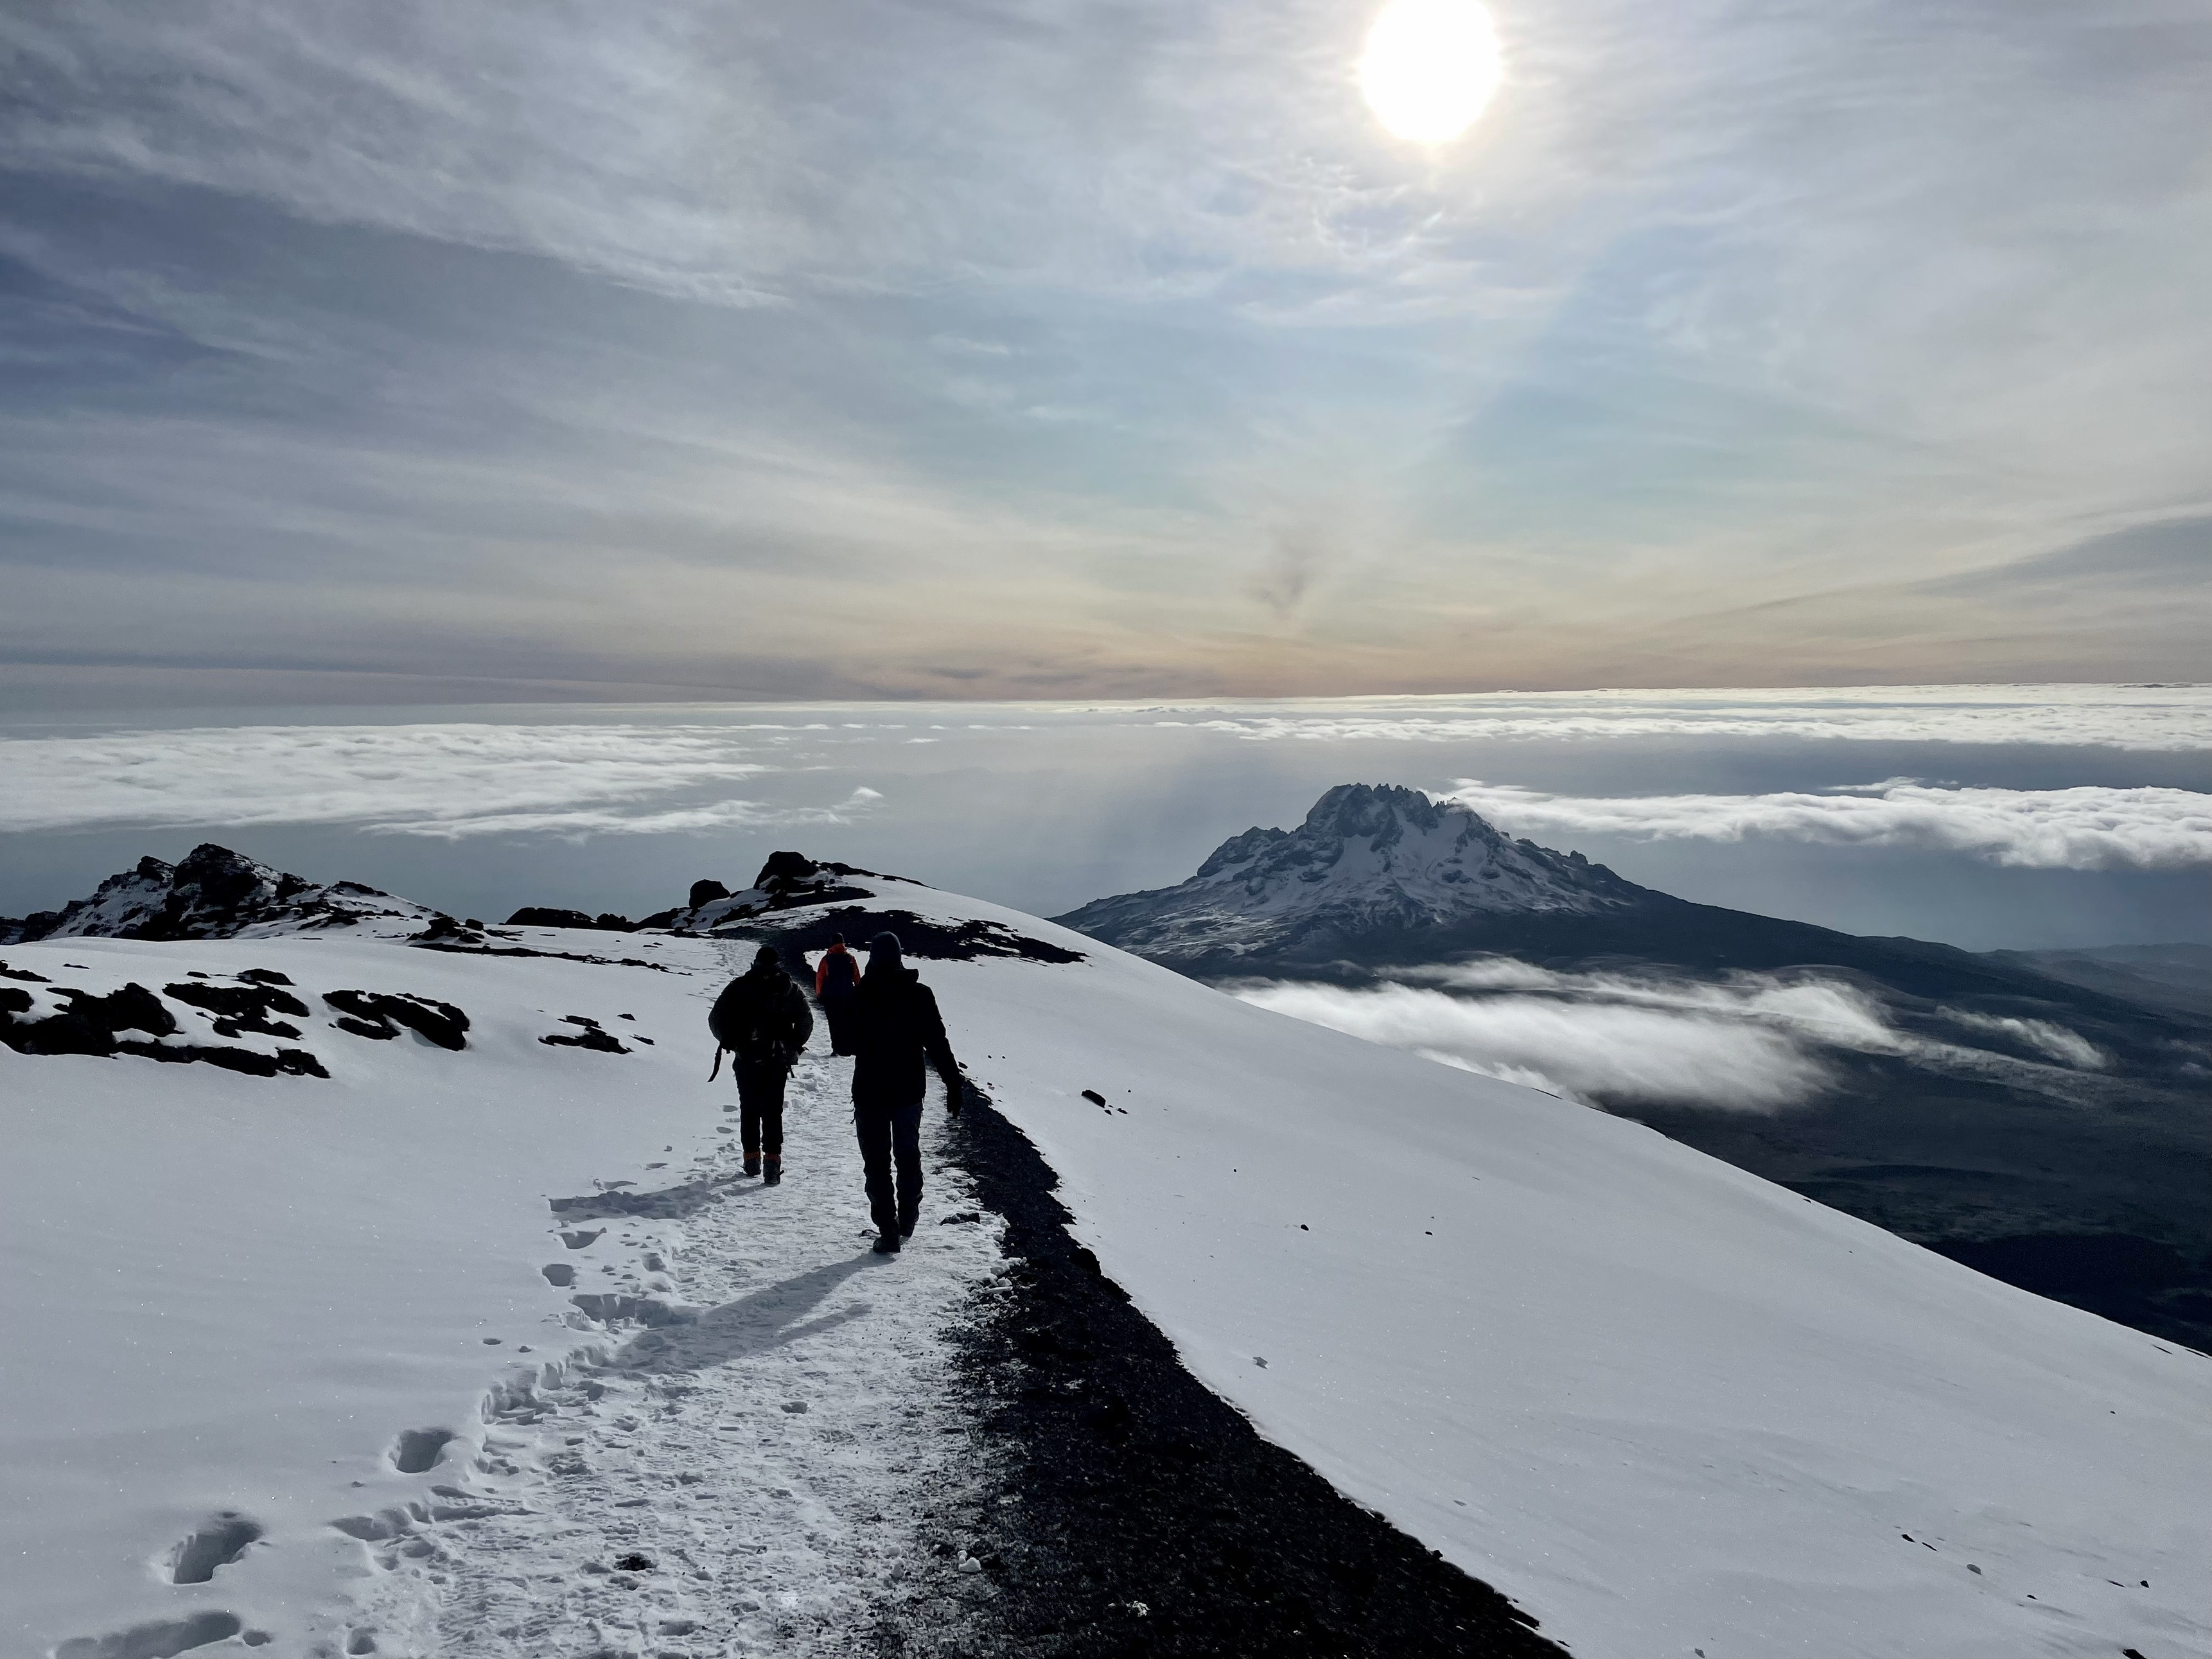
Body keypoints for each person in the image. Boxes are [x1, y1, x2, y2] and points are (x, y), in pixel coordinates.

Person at [846, 931, 961, 1254]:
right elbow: (937, 1042)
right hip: (910, 1088)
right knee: (908, 1154)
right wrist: (954, 1083)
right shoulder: (920, 994)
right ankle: (908, 1217)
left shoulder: (862, 994)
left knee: (877, 1160)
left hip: (870, 1089)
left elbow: (845, 1045)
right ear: (899, 956)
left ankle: (888, 1229)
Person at [707, 944, 814, 1184]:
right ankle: (772, 1166)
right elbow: (806, 1021)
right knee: (773, 1111)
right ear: (778, 964)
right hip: (777, 1060)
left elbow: (715, 1019)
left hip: (746, 1058)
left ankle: (751, 1160)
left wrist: (732, 1042)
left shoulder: (739, 986)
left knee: (749, 1108)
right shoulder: (790, 988)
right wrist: (793, 1045)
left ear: (755, 962)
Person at [813, 931, 861, 1055]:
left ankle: (836, 1048)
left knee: (833, 1022)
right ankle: (848, 1047)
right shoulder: (850, 958)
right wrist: (859, 992)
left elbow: (820, 978)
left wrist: (819, 994)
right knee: (847, 1021)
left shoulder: (826, 959)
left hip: (831, 997)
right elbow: (856, 977)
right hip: (848, 995)